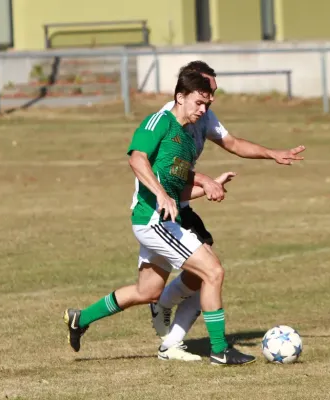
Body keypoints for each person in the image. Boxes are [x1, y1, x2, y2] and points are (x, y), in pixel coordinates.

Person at [63, 70, 255, 366]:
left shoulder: (188, 141)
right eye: (199, 102)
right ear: (180, 97)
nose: (204, 110)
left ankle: (80, 318)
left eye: (208, 104)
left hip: (162, 220)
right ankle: (219, 349)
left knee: (147, 291)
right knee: (212, 273)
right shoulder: (159, 122)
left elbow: (178, 187)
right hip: (154, 220)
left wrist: (209, 184)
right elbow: (136, 158)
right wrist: (161, 196)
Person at [149, 61, 306, 361]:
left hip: (182, 202)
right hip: (159, 207)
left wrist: (272, 153)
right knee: (206, 273)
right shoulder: (170, 120)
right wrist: (205, 181)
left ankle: (170, 332)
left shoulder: (203, 114)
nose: (211, 98)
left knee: (205, 272)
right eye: (207, 92)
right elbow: (166, 165)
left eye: (213, 94)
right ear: (189, 91)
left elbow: (232, 142)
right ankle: (208, 343)